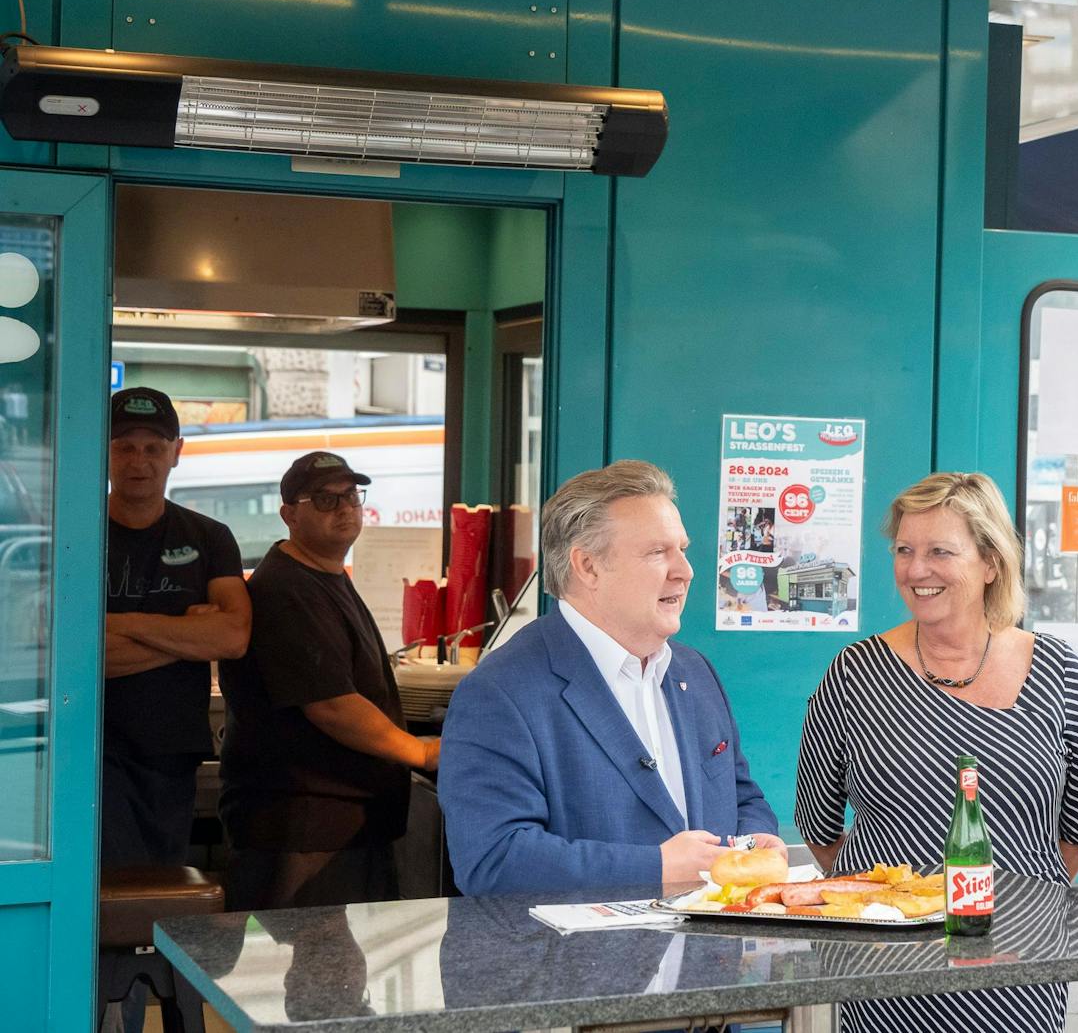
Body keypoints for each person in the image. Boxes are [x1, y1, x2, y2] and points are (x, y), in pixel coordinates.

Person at [794, 472, 1078, 1033]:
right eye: (905, 551)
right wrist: (895, 907)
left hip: (1019, 975)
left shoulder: (1060, 672)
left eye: (941, 551)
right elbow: (820, 831)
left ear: (991, 562)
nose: (917, 570)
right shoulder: (854, 673)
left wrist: (1014, 909)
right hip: (884, 974)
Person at [440, 460, 781, 897]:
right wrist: (655, 866)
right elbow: (493, 861)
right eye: (658, 552)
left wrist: (755, 842)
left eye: (683, 549)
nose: (686, 570)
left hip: (705, 960)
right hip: (579, 964)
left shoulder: (695, 672)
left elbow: (742, 795)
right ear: (588, 567)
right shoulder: (498, 693)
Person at [218, 451, 439, 910]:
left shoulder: (324, 575)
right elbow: (331, 705)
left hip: (342, 824)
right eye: (324, 499)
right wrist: (419, 751)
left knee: (339, 975)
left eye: (351, 496)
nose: (343, 508)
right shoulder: (286, 590)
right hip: (305, 828)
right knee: (319, 973)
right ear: (289, 515)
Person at [103, 386, 251, 868]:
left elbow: (232, 637)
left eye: (153, 448)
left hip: (171, 758)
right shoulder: (73, 534)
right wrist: (186, 638)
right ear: (102, 450)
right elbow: (77, 655)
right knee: (102, 906)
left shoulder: (209, 537)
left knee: (157, 902)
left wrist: (117, 624)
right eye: (124, 446)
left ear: (177, 453)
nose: (138, 461)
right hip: (87, 755)